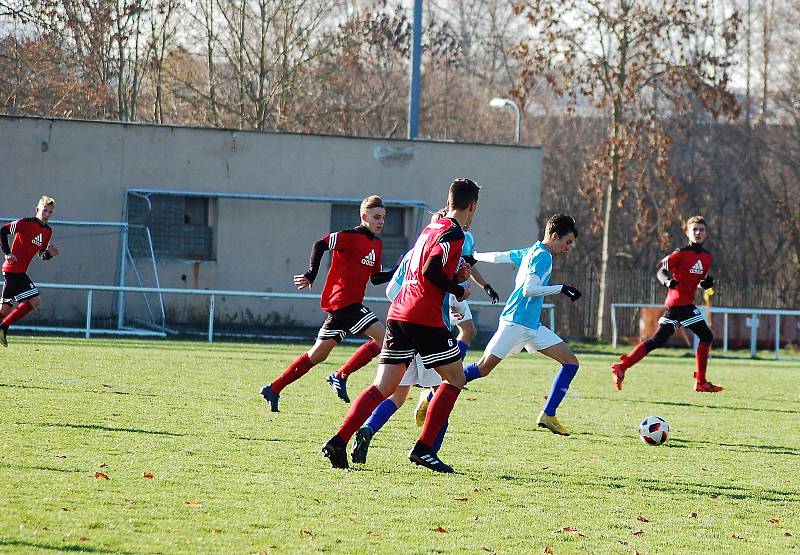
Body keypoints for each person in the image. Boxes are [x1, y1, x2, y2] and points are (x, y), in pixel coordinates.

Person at [321, 177, 480, 473]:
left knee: (384, 386)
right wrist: (459, 289)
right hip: (424, 316)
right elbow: (431, 270)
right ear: (472, 206)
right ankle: (424, 449)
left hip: (399, 312)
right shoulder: (454, 233)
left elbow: (426, 266)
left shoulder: (432, 227)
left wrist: (454, 276)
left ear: (449, 201)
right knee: (455, 379)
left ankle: (338, 441)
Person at [443, 214, 584, 436]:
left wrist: (475, 256)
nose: (569, 248)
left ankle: (549, 414)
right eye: (567, 242)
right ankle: (434, 394)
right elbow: (529, 289)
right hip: (515, 323)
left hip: (532, 327)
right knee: (482, 368)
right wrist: (561, 288)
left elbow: (502, 256)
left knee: (570, 362)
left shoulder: (532, 251)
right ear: (554, 236)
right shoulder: (543, 257)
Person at [259, 195, 395, 412]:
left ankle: (273, 388)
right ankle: (340, 376)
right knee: (386, 338)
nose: (381, 222)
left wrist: (397, 271)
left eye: (383, 218)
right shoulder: (351, 236)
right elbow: (320, 244)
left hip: (347, 306)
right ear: (364, 216)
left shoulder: (377, 244)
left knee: (318, 354)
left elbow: (376, 278)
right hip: (344, 302)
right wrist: (311, 274)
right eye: (377, 217)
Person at [611, 215, 722, 393]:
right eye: (694, 229)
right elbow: (661, 271)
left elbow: (698, 281)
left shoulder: (707, 258)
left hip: (683, 305)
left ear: (706, 233)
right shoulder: (681, 253)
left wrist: (706, 283)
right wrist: (667, 282)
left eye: (701, 229)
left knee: (657, 340)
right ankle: (700, 382)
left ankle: (622, 367)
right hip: (679, 304)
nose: (698, 233)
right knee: (706, 336)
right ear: (687, 232)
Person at [0, 196, 60, 347]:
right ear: (37, 210)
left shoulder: (48, 231)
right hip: (14, 270)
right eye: (44, 210)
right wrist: (7, 252)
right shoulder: (25, 223)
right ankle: (4, 327)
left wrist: (49, 254)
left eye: (50, 212)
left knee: (4, 309)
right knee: (35, 300)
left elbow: (41, 254)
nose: (46, 214)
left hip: (17, 272)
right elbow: (3, 230)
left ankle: (3, 325)